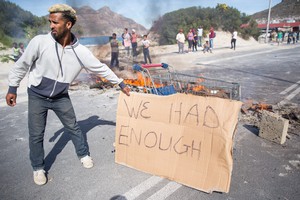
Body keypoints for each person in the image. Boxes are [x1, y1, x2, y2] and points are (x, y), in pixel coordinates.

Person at [5, 4, 130, 186]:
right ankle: (38, 168)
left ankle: (84, 154)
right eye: (50, 22)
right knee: (36, 134)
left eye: (55, 22)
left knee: (73, 126)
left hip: (60, 96)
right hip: (37, 94)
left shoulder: (80, 52)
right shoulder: (40, 42)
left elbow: (100, 68)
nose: (51, 26)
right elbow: (22, 65)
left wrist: (120, 83)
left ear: (68, 24)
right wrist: (12, 88)